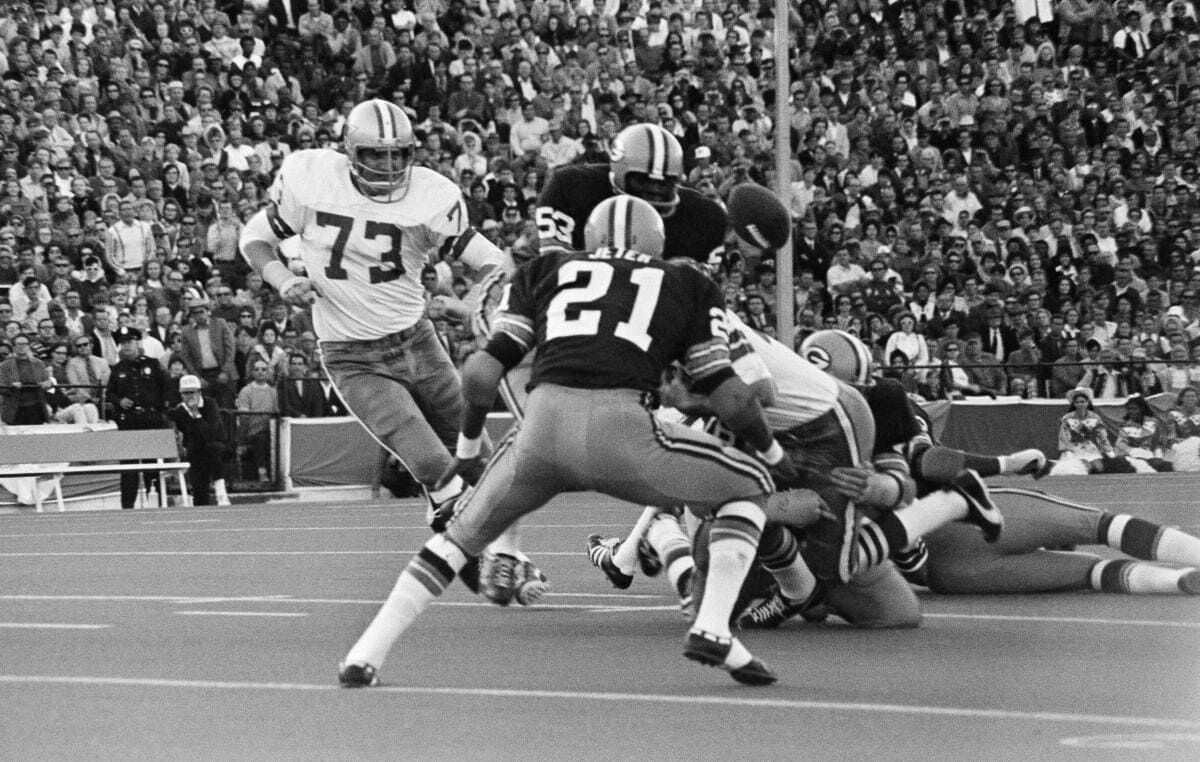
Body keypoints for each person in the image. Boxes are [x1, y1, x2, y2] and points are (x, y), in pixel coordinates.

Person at [338, 196, 793, 688]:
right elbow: (734, 400)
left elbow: (481, 373)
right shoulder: (687, 282)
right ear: (659, 241)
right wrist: (775, 454)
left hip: (541, 429)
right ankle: (713, 626)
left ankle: (365, 654)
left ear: (591, 238)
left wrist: (468, 451)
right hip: (624, 431)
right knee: (751, 486)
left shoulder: (546, 268)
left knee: (456, 541)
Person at [238, 99, 512, 525]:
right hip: (353, 356)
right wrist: (283, 279)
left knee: (484, 465)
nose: (387, 164)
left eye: (397, 153)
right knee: (433, 465)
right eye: (374, 153)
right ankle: (462, 543)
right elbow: (255, 238)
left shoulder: (430, 194)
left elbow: (492, 261)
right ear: (350, 151)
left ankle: (493, 552)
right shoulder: (313, 180)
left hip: (420, 343)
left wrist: (469, 302)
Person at [106, 327, 169, 509]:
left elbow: (166, 388)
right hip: (129, 421)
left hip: (150, 418)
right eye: (123, 343)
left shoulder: (153, 364)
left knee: (152, 465)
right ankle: (127, 506)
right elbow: (109, 393)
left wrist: (161, 412)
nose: (126, 346)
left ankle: (156, 502)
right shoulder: (118, 369)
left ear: (137, 343)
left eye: (129, 342)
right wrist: (119, 400)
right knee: (129, 468)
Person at [172, 374, 230, 506]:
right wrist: (191, 414)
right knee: (199, 488)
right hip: (195, 449)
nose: (189, 396)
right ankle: (201, 500)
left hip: (217, 445)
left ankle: (221, 493)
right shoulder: (180, 410)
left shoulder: (210, 404)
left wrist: (196, 414)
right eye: (185, 393)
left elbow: (211, 432)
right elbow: (189, 434)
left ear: (199, 392)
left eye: (192, 392)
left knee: (212, 448)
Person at [1051, 387, 1119, 475]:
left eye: (1082, 401)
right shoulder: (1067, 418)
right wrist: (1066, 451)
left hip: (1090, 449)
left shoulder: (1095, 417)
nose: (1080, 404)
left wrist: (1109, 451)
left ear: (1087, 402)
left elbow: (1102, 437)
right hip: (1073, 449)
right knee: (1082, 467)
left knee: (1099, 467)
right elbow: (1063, 437)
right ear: (1074, 404)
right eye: (1077, 402)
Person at [236, 360, 279, 483]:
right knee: (261, 438)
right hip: (252, 431)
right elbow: (243, 417)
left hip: (271, 430)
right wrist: (242, 440)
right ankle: (262, 472)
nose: (260, 372)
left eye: (264, 369)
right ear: (252, 372)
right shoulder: (246, 391)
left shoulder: (273, 392)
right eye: (257, 369)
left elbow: (276, 412)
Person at [0, 334, 53, 424]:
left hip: (36, 406)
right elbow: (1, 385)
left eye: (25, 344)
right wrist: (11, 385)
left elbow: (47, 381)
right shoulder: (5, 365)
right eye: (19, 344)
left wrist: (47, 384)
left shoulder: (39, 363)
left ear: (29, 346)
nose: (22, 347)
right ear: (14, 347)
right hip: (15, 407)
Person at [1166, 387, 1200, 472]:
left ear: (1197, 398)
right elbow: (1170, 436)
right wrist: (1177, 447)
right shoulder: (1173, 414)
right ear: (1181, 398)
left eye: (1193, 396)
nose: (1190, 399)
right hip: (1178, 447)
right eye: (1187, 396)